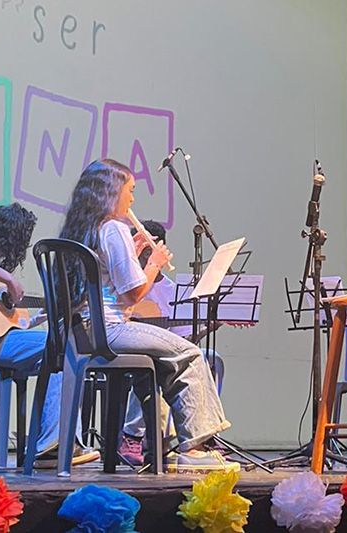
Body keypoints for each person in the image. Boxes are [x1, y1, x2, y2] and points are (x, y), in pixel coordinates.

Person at [59, 159, 238, 473]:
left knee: (160, 363)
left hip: (79, 331)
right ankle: (194, 449)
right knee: (189, 354)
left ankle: (158, 445)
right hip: (107, 330)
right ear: (112, 192)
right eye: (130, 190)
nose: (132, 198)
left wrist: (130, 249)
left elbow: (107, 278)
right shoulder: (113, 228)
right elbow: (132, 294)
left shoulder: (82, 228)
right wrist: (153, 262)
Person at [0, 203, 99, 468]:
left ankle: (56, 441)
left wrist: (43, 316)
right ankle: (51, 445)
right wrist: (10, 279)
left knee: (60, 352)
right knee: (65, 347)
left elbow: (2, 326)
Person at [117, 219, 222, 466]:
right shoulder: (127, 283)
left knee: (210, 357)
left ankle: (204, 435)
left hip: (167, 349)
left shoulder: (174, 291)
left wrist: (211, 325)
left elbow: (185, 341)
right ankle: (133, 435)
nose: (145, 257)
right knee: (149, 361)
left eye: (150, 250)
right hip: (132, 348)